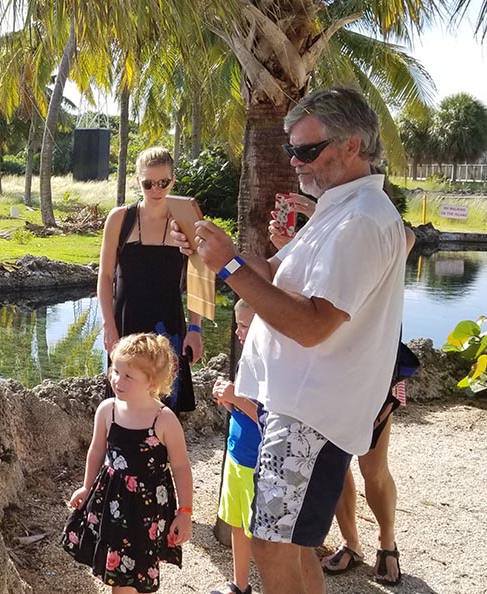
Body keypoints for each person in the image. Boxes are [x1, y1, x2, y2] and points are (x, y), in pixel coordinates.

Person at [174, 86, 407, 594]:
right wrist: (211, 248)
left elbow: (313, 324)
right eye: (291, 150)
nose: (296, 162)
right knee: (291, 544)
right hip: (298, 406)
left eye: (307, 150)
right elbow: (275, 270)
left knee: (272, 544)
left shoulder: (363, 220)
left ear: (352, 146)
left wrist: (229, 266)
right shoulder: (337, 208)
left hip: (312, 414)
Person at [271, 192, 416, 586]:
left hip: (379, 372)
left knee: (373, 467)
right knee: (332, 464)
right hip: (330, 372)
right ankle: (351, 543)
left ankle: (387, 541)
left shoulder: (376, 221)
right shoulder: (331, 229)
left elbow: (405, 238)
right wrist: (294, 248)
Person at [62, 333, 194, 594]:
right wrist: (86, 487)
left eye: (128, 376)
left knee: (138, 569)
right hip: (111, 499)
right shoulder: (107, 410)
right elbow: (97, 450)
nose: (117, 380)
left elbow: (180, 467)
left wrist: (185, 512)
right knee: (119, 574)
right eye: (115, 370)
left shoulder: (164, 419)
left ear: (152, 382)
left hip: (148, 506)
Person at [97, 146, 203, 412]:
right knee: (122, 406)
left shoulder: (185, 219)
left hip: (168, 325)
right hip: (126, 323)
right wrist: (108, 326)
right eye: (148, 183)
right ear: (138, 182)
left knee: (167, 407)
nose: (156, 189)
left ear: (173, 181)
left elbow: (199, 277)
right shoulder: (120, 219)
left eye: (163, 182)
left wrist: (196, 328)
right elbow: (106, 276)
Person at [210, 299, 262, 594]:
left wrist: (236, 398)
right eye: (237, 325)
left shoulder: (273, 366)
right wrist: (230, 401)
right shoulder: (247, 361)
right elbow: (244, 412)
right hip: (236, 455)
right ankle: (240, 585)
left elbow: (269, 418)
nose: (237, 332)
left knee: (263, 537)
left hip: (258, 463)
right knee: (239, 526)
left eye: (244, 325)